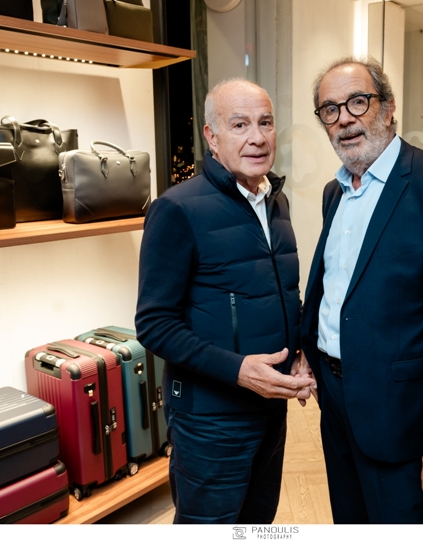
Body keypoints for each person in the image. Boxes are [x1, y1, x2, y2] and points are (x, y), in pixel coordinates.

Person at [300, 57, 423, 524]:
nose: (344, 118)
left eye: (358, 102)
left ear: (388, 108)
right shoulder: (334, 192)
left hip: (403, 415)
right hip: (336, 400)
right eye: (330, 109)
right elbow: (337, 290)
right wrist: (309, 347)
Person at [135, 79, 315, 524]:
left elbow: (280, 294)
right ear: (211, 137)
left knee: (257, 522)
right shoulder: (177, 209)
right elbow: (154, 324)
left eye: (265, 122)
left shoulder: (276, 201)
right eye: (239, 125)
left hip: (270, 407)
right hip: (210, 420)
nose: (257, 137)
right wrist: (238, 370)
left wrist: (299, 351)